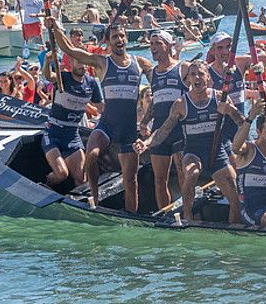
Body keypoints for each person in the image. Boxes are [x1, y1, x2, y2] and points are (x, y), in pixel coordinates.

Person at [48, 21, 153, 211]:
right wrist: (56, 28)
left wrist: (146, 121)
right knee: (92, 155)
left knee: (131, 181)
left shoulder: (140, 63)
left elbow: (161, 82)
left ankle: (131, 218)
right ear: (109, 42)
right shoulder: (102, 62)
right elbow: (69, 50)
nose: (119, 40)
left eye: (122, 36)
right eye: (115, 37)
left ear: (126, 39)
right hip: (107, 125)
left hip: (128, 130)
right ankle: (95, 199)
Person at [136, 59, 243, 222]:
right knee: (192, 172)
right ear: (189, 80)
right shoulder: (180, 104)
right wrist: (145, 143)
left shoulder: (221, 97)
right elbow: (163, 131)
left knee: (235, 200)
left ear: (208, 77)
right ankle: (188, 216)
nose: (197, 78)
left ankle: (234, 229)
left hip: (217, 153)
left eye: (201, 74)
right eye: (193, 74)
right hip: (193, 153)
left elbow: (242, 124)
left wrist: (232, 110)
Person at [40, 50, 102, 189]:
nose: (82, 65)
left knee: (82, 179)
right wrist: (48, 62)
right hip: (53, 132)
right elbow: (49, 76)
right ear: (71, 63)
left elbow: (101, 107)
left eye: (85, 62)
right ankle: (45, 185)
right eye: (79, 61)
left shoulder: (91, 83)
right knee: (61, 174)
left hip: (72, 135)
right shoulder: (63, 78)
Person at [141, 29, 188, 212]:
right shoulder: (154, 73)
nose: (153, 48)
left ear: (168, 46)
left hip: (180, 131)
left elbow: (202, 81)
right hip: (159, 133)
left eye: (158, 44)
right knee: (160, 180)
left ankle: (187, 213)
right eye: (151, 44)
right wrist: (144, 122)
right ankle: (166, 215)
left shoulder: (182, 68)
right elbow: (155, 101)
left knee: (184, 177)